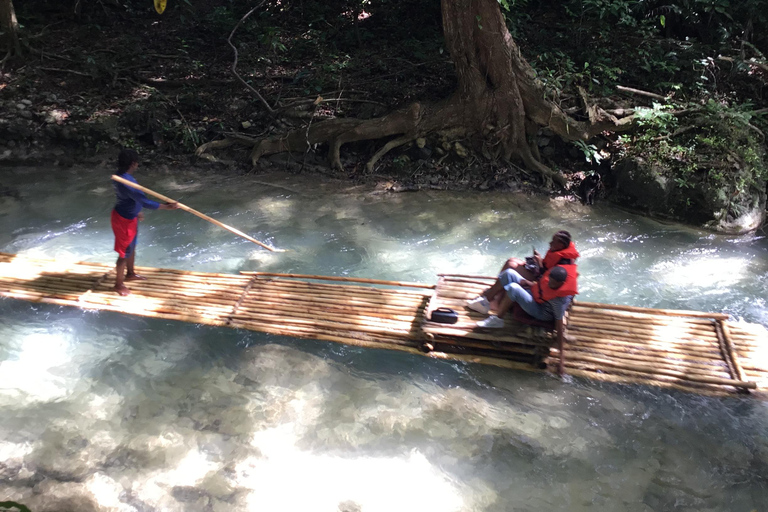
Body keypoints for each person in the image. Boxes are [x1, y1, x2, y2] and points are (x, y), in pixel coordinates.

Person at [111, 149, 178, 296]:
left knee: (131, 246)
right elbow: (144, 201)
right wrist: (167, 207)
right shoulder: (127, 182)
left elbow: (129, 199)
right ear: (134, 163)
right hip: (123, 220)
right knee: (124, 252)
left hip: (130, 216)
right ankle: (118, 284)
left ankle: (130, 274)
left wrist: (137, 211)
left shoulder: (121, 176)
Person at [468, 230, 579, 310]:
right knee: (511, 260)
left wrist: (539, 263)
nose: (550, 244)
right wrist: (538, 261)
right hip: (540, 271)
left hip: (539, 280)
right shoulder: (560, 252)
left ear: (562, 245)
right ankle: (496, 293)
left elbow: (547, 280)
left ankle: (496, 301)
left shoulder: (564, 264)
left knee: (511, 266)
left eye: (553, 242)